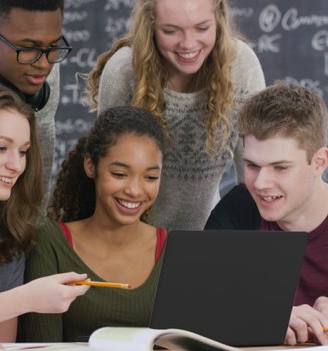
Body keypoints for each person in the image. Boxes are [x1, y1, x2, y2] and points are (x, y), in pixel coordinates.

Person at [85, 0, 265, 230]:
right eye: (170, 31)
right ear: (150, 25)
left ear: (219, 21)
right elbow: (105, 176)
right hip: (132, 236)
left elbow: (255, 174)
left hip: (207, 235)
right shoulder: (123, 71)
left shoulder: (241, 66)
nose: (188, 44)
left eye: (202, 28)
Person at [19, 106, 168, 342]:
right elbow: (43, 345)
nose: (135, 190)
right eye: (119, 174)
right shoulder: (51, 243)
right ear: (91, 166)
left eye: (150, 177)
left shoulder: (173, 249)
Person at [204, 81, 328, 346]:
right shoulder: (238, 208)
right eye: (252, 165)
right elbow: (197, 307)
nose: (260, 184)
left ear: (318, 162)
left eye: (280, 168)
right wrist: (266, 317)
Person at [0, 80, 89, 349]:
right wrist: (26, 298)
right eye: (1, 147)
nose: (16, 165)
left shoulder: (9, 245)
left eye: (24, 152)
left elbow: (2, 346)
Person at [0, 0, 72, 220]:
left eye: (53, 46)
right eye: (29, 48)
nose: (44, 65)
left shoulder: (42, 68)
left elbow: (40, 161)